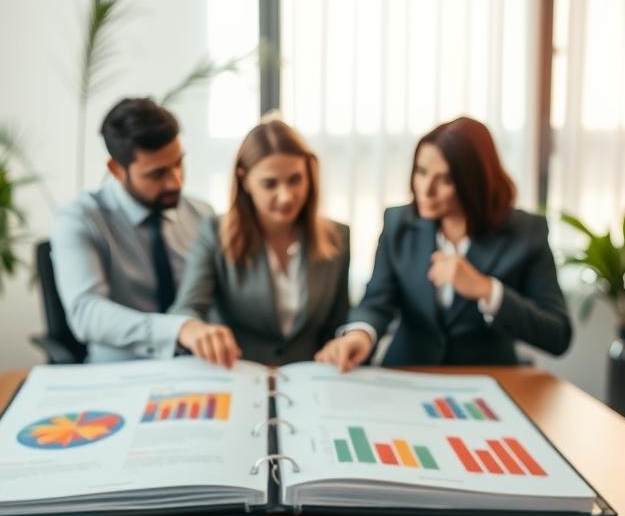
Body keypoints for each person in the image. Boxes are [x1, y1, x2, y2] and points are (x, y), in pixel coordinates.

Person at [316, 116, 572, 372]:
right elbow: (377, 302)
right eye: (421, 172)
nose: (425, 190)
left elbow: (558, 334)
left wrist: (487, 289)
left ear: (475, 182)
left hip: (487, 380)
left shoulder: (526, 232)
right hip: (408, 374)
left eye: (446, 179)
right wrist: (360, 334)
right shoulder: (398, 223)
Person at [169, 118, 350, 367]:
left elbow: (338, 324)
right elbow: (187, 309)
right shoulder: (214, 232)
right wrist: (194, 329)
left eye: (295, 180)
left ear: (310, 174)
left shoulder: (337, 236)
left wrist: (342, 345)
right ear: (244, 180)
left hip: (310, 380)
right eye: (270, 184)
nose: (286, 196)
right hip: (240, 375)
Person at [51, 97, 213, 362]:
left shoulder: (201, 214)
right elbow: (86, 312)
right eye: (157, 174)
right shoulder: (79, 218)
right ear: (116, 169)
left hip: (196, 367)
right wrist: (178, 330)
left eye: (178, 164)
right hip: (119, 372)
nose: (175, 182)